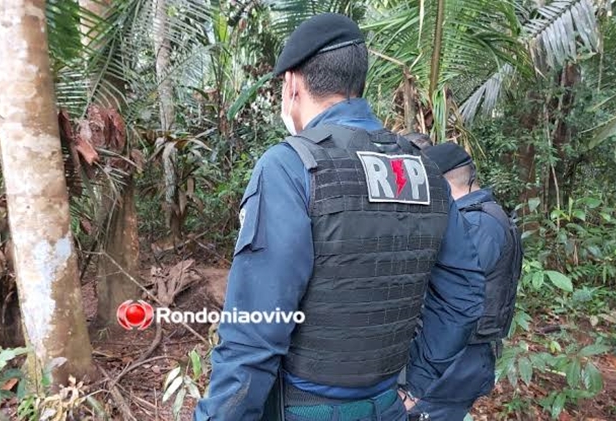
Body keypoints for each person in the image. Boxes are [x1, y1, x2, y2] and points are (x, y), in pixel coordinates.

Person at [193, 13, 485, 421]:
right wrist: (416, 383)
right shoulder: (425, 172)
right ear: (357, 83)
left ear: (292, 84)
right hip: (388, 407)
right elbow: (464, 296)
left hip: (305, 409)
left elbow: (256, 330)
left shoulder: (290, 166)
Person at [403, 142, 523, 420]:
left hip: (454, 363)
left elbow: (454, 292)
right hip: (452, 358)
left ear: (437, 182)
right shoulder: (476, 217)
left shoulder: (480, 224)